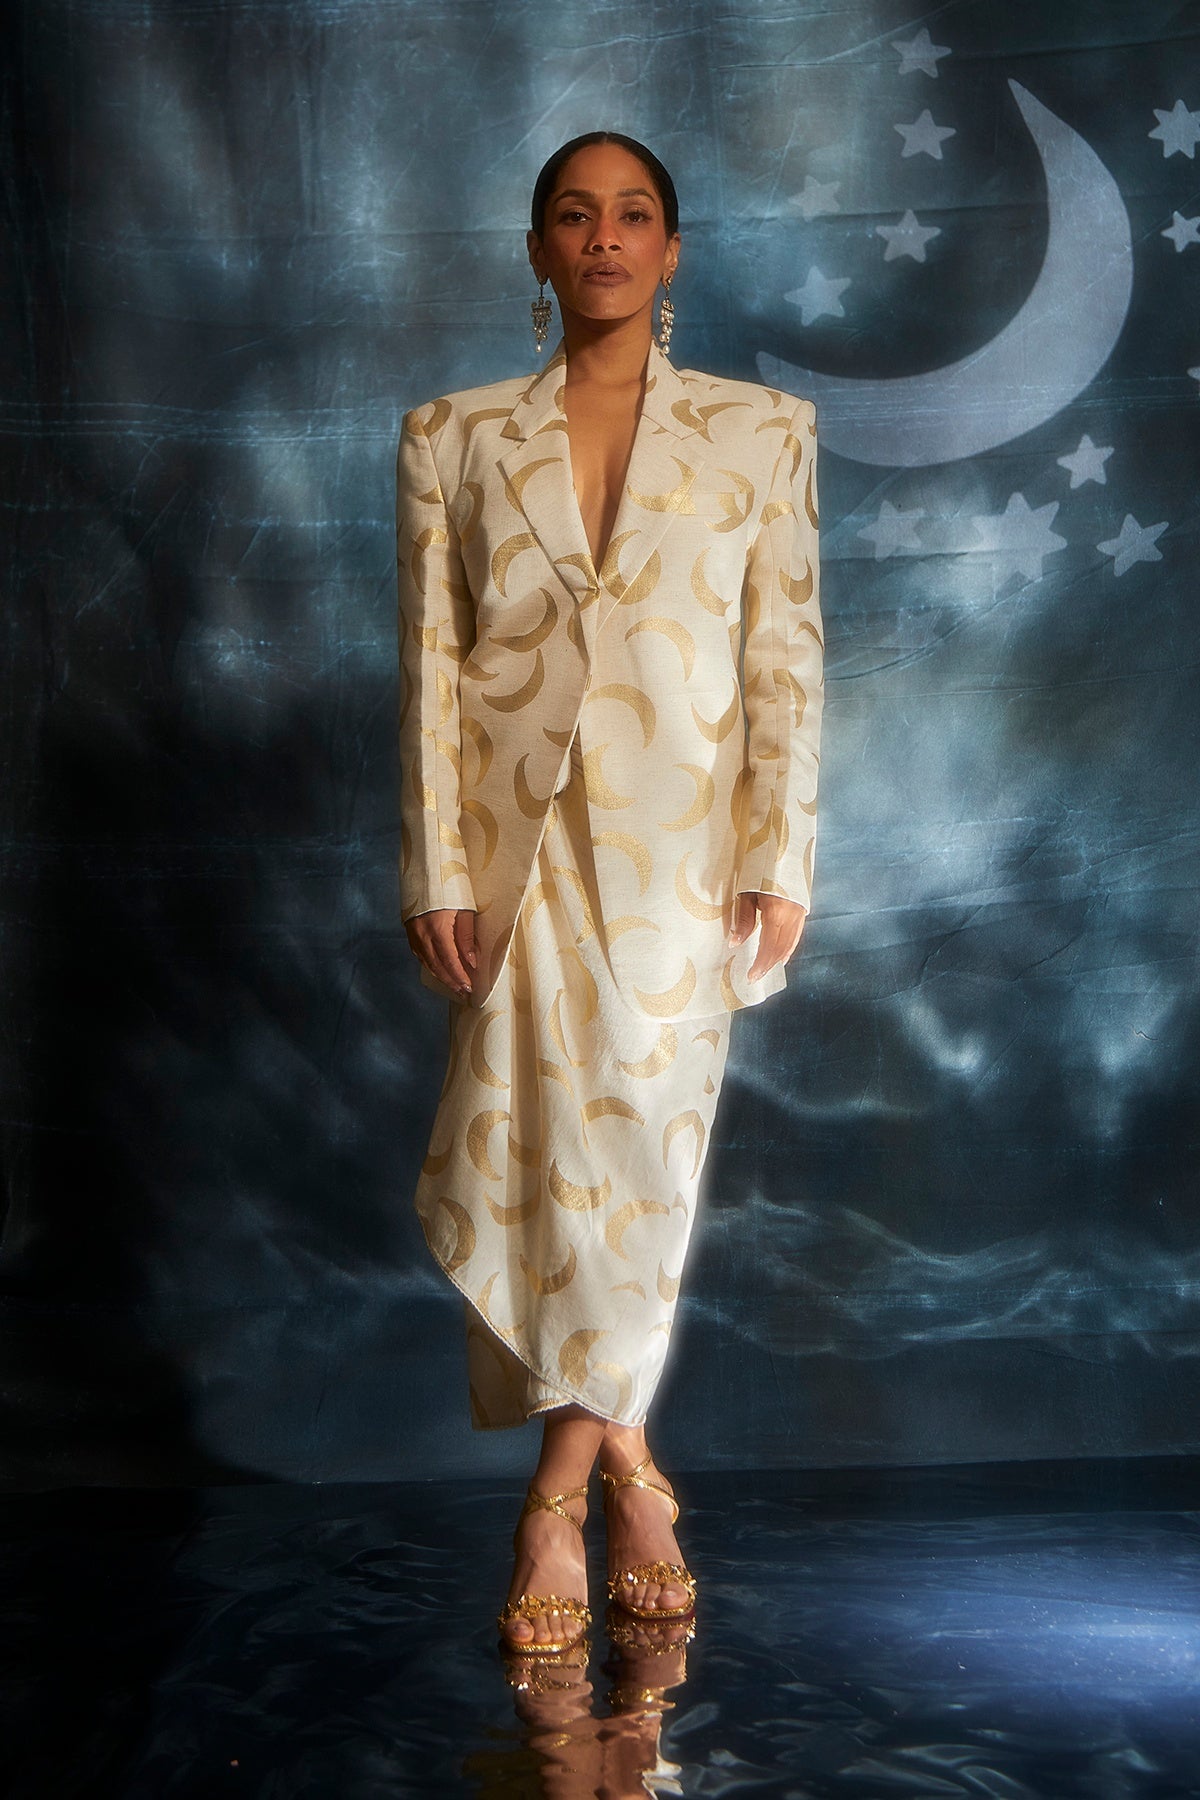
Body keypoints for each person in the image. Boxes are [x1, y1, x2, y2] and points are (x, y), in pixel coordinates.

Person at [396, 131, 822, 1655]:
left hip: (679, 859)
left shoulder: (763, 433)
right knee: (546, 1159)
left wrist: (781, 855)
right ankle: (630, 1472)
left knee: (639, 1156)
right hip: (515, 856)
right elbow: (432, 673)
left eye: (634, 214)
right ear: (537, 251)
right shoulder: (450, 436)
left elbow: (785, 657)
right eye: (574, 216)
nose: (604, 239)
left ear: (672, 249)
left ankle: (557, 1495)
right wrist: (438, 865)